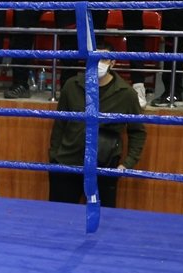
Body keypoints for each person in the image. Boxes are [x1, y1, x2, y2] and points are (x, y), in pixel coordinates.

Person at [48, 59, 147, 206]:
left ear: (112, 63)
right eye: (93, 57)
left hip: (104, 166)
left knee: (102, 219)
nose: (98, 62)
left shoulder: (127, 94)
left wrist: (127, 163)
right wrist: (54, 157)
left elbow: (137, 131)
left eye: (103, 58)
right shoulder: (72, 85)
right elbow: (59, 124)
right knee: (59, 217)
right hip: (67, 162)